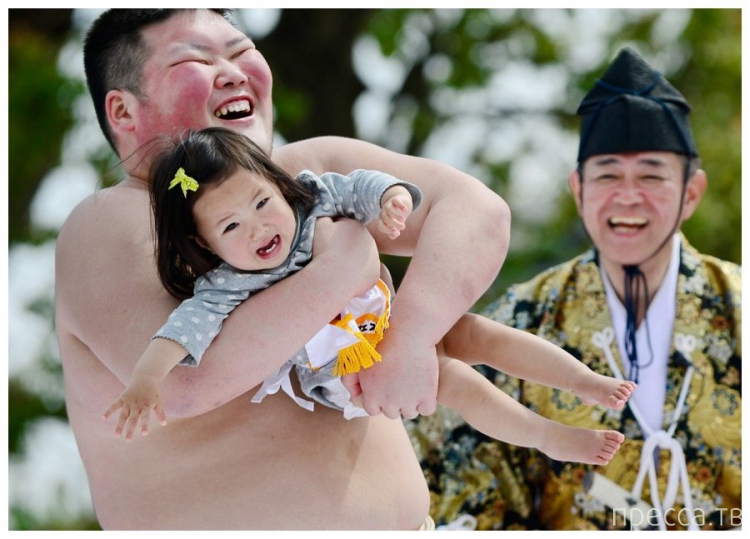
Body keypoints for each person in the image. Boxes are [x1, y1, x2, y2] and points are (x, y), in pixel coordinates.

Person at [55, 8, 511, 530]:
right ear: (123, 110)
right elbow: (180, 384)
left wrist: (409, 340)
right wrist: (346, 263)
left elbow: (478, 212)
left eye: (241, 52)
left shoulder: (309, 175)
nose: (231, 72)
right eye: (195, 61)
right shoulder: (109, 220)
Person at [103, 127, 634, 472]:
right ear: (204, 245)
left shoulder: (310, 200)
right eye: (231, 226)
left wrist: (390, 198)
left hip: (384, 317)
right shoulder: (227, 284)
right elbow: (182, 331)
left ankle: (582, 381)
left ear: (276, 185)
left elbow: (359, 186)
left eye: (262, 202)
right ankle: (548, 437)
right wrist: (146, 381)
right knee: (454, 380)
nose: (259, 227)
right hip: (347, 370)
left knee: (473, 331)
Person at [409, 47, 741, 531]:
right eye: (607, 175)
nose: (628, 196)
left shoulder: (739, 305)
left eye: (652, 175)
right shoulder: (522, 317)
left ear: (691, 192)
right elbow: (466, 479)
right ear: (579, 189)